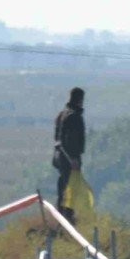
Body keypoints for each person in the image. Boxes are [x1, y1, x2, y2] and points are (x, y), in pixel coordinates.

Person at [51, 87, 85, 220]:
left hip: (60, 158)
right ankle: (68, 219)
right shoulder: (74, 117)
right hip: (69, 159)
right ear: (80, 100)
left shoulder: (62, 115)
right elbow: (70, 141)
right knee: (70, 189)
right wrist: (73, 159)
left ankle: (61, 217)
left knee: (63, 188)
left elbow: (57, 139)